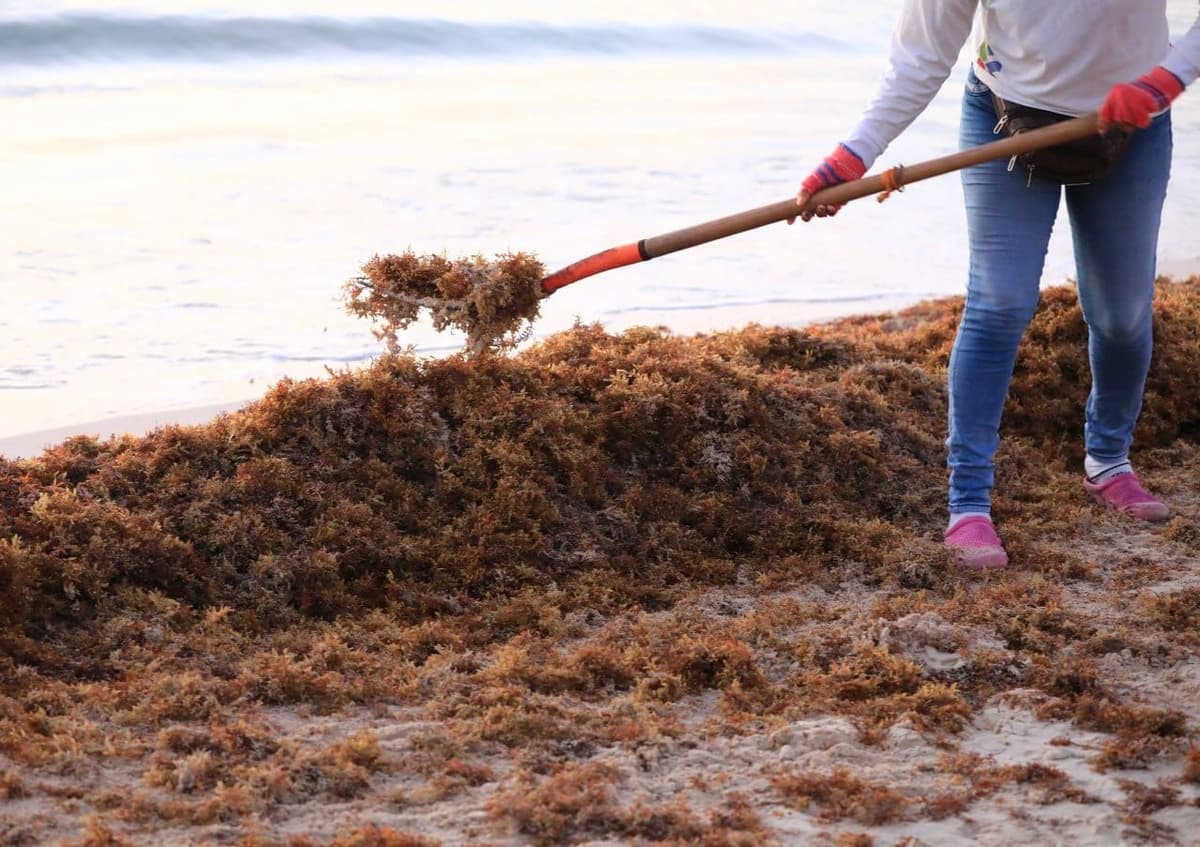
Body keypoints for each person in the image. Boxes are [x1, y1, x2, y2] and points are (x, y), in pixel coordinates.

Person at [794, 1, 1200, 569]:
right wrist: (852, 155)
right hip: (1008, 116)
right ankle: (968, 506)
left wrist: (1166, 80)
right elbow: (920, 57)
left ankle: (1108, 461)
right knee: (998, 303)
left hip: (1133, 123)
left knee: (1121, 316)